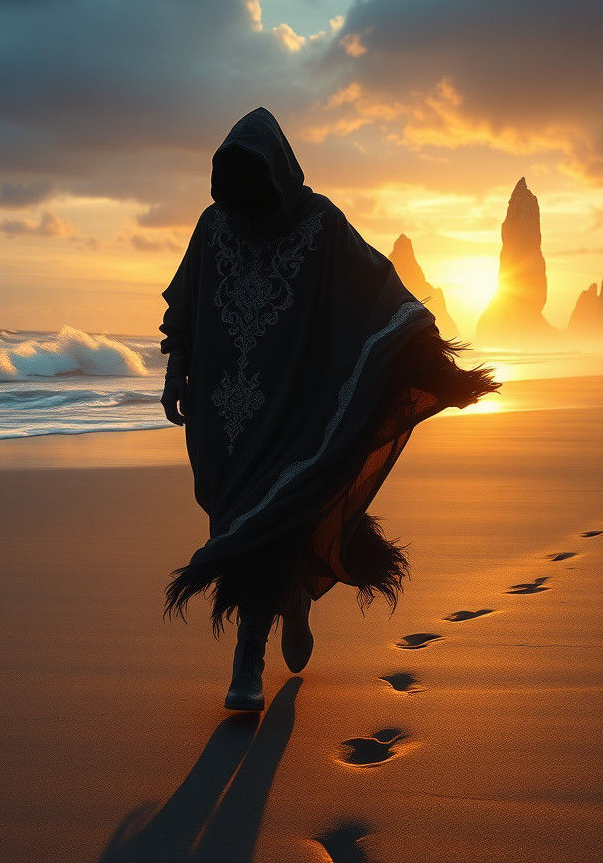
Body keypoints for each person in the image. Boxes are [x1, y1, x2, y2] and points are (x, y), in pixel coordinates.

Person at [158, 107, 500, 711]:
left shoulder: (321, 225)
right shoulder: (214, 227)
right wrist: (174, 372)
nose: (246, 194)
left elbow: (377, 293)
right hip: (225, 417)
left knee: (269, 520)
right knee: (239, 518)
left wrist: (429, 361)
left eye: (255, 177)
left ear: (281, 173)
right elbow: (185, 309)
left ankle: (247, 667)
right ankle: (293, 598)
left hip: (295, 406)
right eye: (233, 178)